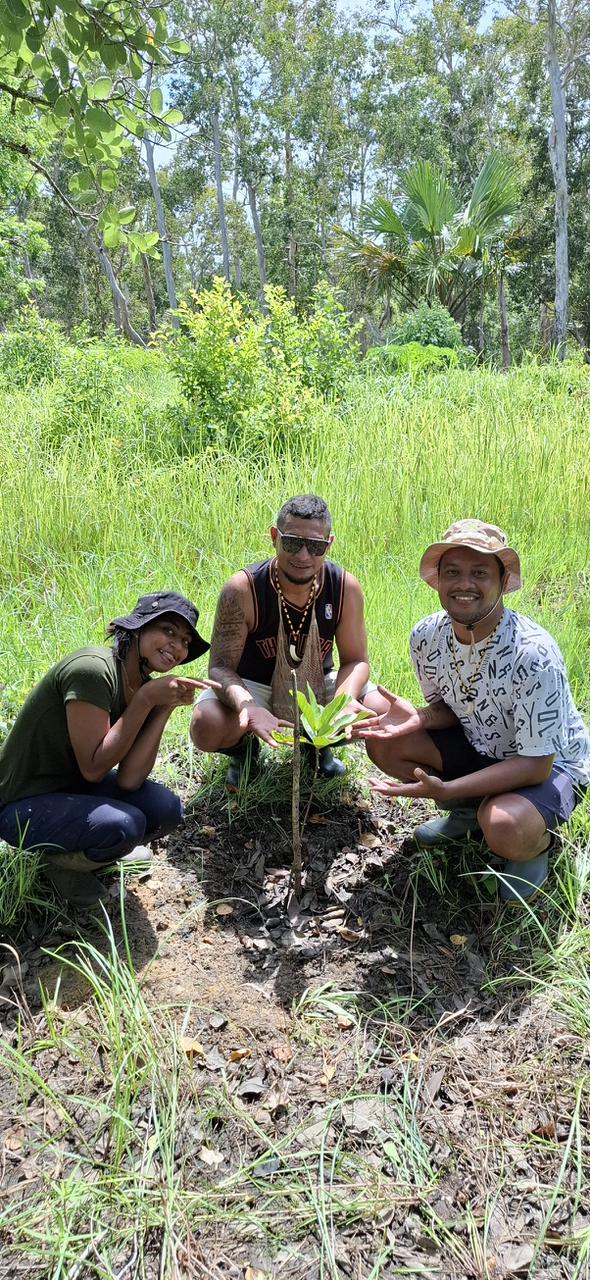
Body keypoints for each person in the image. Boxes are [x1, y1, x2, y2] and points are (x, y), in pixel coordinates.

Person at [364, 520, 590, 902]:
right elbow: (451, 709)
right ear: (437, 580)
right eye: (452, 572)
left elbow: (537, 764)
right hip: (481, 746)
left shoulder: (532, 655)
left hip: (548, 765)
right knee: (386, 741)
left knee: (504, 824)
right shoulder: (427, 636)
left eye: (479, 573)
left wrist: (449, 787)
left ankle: (532, 846)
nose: (464, 584)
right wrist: (423, 717)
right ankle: (468, 816)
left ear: (503, 582)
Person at [0, 592, 217, 907]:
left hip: (71, 789)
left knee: (165, 809)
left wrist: (164, 706)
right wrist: (145, 700)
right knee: (122, 825)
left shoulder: (140, 684)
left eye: (184, 640)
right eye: (168, 630)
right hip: (21, 803)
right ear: (138, 627)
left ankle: (88, 855)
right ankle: (58, 865)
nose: (177, 645)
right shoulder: (93, 669)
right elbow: (93, 767)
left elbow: (130, 779)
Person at [191, 494, 373, 789]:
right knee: (206, 724)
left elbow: (356, 660)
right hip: (254, 686)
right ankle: (244, 751)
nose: (303, 555)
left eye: (315, 546)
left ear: (329, 545)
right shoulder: (243, 588)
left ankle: (317, 749)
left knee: (378, 710)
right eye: (292, 542)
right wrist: (248, 707)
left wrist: (345, 700)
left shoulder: (344, 587)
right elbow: (220, 668)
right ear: (275, 537)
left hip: (316, 685)